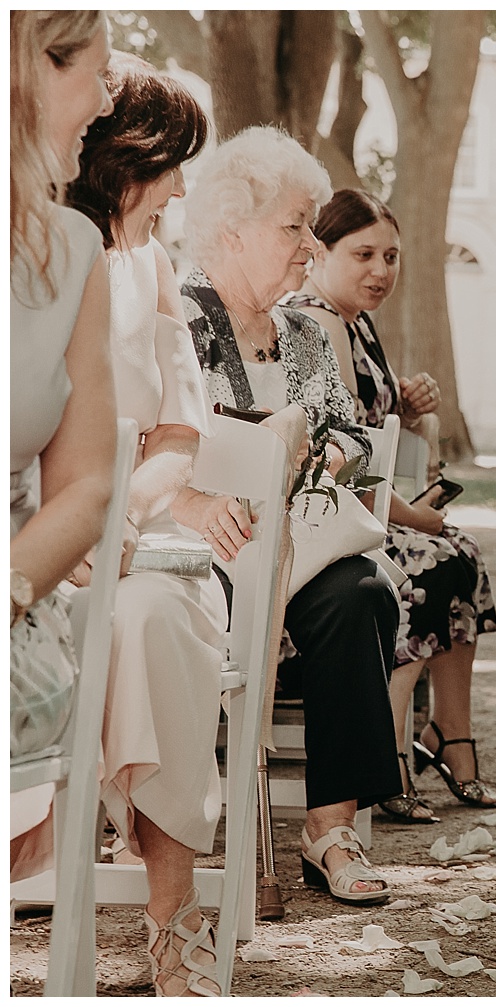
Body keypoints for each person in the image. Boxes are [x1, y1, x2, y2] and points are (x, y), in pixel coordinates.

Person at [173, 126, 401, 904]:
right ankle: (181, 835)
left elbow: (351, 438)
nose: (311, 243)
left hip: (298, 554)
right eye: (294, 225)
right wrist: (201, 499)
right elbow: (142, 447)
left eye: (310, 225)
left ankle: (327, 830)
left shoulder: (304, 333)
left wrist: (327, 458)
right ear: (231, 231)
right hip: (208, 552)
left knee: (362, 592)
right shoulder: (178, 325)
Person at [61, 55, 227, 996]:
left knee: (148, 620)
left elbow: (177, 432)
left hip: (132, 540)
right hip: (31, 542)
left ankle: (173, 918)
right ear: (128, 161)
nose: (180, 185)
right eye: (174, 163)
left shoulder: (153, 262)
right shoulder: (34, 251)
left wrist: (115, 518)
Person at [287, 189, 496, 821]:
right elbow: (338, 459)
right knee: (432, 561)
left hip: (374, 507)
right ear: (319, 251)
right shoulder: (312, 323)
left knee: (462, 553)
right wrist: (416, 517)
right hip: (336, 521)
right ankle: (391, 752)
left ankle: (448, 736)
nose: (381, 270)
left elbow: (381, 435)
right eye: (363, 254)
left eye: (391, 256)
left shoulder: (353, 319)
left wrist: (409, 409)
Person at [10, 9, 116, 865]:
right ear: (31, 65)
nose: (107, 101)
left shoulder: (73, 250)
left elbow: (86, 485)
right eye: (97, 74)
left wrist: (9, 590)